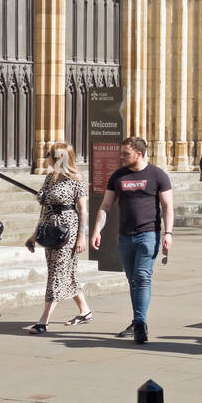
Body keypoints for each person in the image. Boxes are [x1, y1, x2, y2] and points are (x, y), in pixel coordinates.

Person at [91, 136, 173, 345]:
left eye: (125, 153)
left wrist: (168, 233)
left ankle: (139, 323)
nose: (121, 156)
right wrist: (97, 230)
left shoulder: (157, 175)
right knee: (132, 279)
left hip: (148, 234)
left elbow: (167, 207)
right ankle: (138, 320)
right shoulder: (118, 176)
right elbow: (106, 206)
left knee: (142, 277)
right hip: (125, 236)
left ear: (139, 153)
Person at [24, 142, 92, 334]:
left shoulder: (77, 179)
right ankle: (85, 311)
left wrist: (81, 237)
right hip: (50, 229)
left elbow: (83, 211)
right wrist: (34, 235)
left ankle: (43, 320)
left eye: (50, 154)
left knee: (56, 273)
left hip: (67, 231)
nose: (46, 157)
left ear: (60, 157)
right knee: (65, 273)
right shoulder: (50, 178)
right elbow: (44, 209)